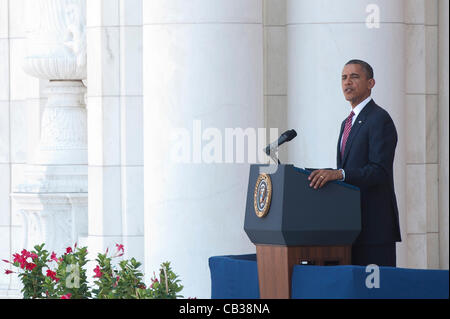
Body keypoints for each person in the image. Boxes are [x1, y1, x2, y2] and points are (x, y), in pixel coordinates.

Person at [308, 59, 401, 267]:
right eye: (344, 77)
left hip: (374, 229)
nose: (347, 82)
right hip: (349, 227)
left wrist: (339, 174)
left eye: (354, 77)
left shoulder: (379, 119)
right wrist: (327, 174)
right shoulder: (346, 123)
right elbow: (349, 169)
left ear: (371, 83)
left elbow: (379, 171)